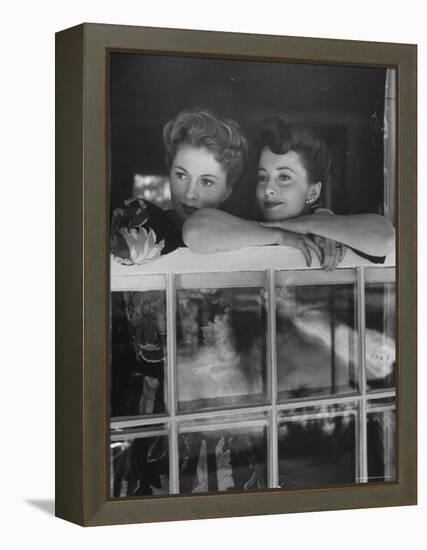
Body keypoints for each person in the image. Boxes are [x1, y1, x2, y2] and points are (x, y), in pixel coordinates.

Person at [183, 116, 395, 270]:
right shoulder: (244, 224)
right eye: (263, 178)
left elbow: (385, 237)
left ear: (313, 191)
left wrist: (312, 224)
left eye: (284, 177)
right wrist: (281, 236)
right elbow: (195, 231)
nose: (268, 189)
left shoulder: (333, 232)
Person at [111, 107, 248, 265]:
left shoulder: (246, 240)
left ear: (227, 192)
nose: (190, 193)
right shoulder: (142, 219)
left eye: (206, 182)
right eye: (181, 175)